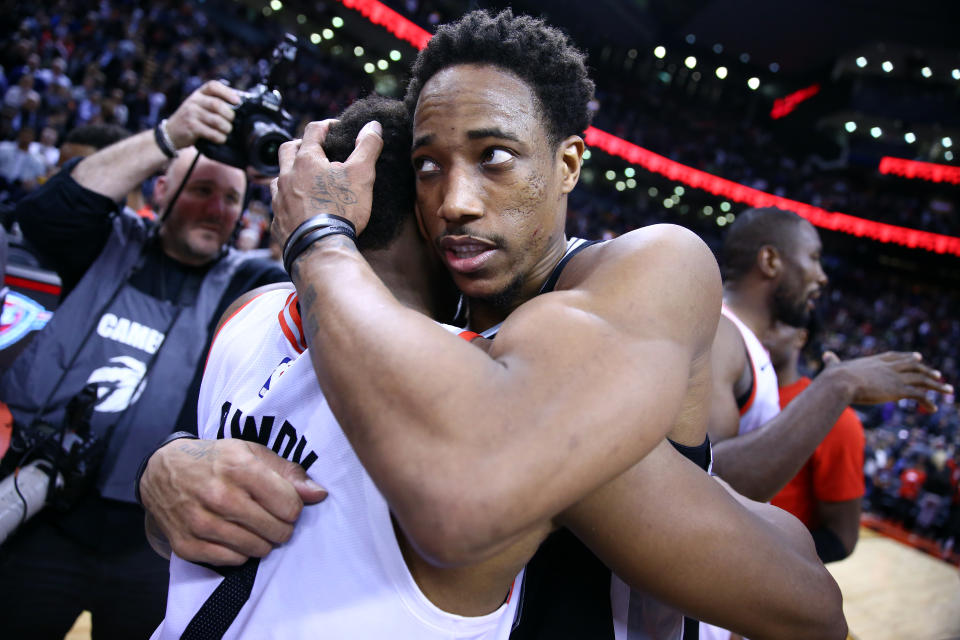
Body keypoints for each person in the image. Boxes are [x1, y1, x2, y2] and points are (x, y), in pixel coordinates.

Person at [145, 91, 840, 639]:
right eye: (432, 170)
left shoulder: (254, 313)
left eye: (493, 159)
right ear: (426, 220)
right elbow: (809, 601)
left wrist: (162, 466)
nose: (459, 201)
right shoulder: (483, 397)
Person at [0, 80, 288, 638]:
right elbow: (43, 216)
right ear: (159, 190)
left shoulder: (247, 280)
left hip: (154, 541)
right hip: (45, 511)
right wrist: (170, 135)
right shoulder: (103, 242)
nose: (218, 209)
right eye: (201, 189)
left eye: (232, 198)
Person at [700, 206, 950, 640]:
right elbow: (705, 483)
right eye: (814, 258)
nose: (823, 276)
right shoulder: (721, 333)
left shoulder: (735, 340)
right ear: (771, 260)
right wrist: (837, 385)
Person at [764, 320, 866, 562]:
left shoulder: (835, 418)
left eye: (775, 322)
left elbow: (841, 537)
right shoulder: (703, 388)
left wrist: (759, 560)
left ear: (801, 336)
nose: (759, 330)